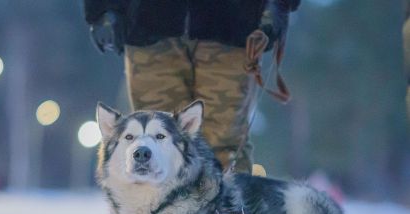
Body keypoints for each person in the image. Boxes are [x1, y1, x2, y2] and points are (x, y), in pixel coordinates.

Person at [83, 0, 300, 173]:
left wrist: (277, 5)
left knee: (224, 147)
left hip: (232, 23)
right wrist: (102, 8)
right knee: (153, 142)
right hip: (148, 23)